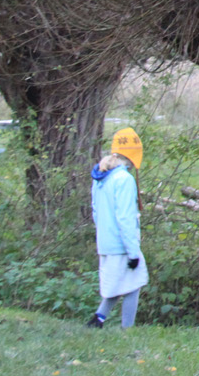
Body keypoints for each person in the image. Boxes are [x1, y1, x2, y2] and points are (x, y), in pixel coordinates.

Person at [88, 127, 148, 329]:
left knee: (119, 284)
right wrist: (133, 252)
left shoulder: (101, 177)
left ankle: (98, 319)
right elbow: (125, 218)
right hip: (122, 244)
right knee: (134, 283)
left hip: (105, 242)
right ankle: (127, 329)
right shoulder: (124, 179)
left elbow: (95, 212)